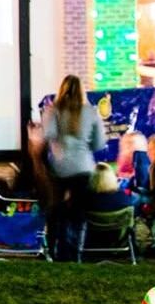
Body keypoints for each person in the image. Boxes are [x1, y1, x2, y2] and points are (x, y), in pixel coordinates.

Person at [41, 75, 107, 260]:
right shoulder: (91, 112)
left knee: (55, 212)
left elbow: (48, 136)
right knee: (78, 215)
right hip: (83, 168)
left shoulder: (52, 111)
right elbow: (99, 143)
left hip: (58, 168)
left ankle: (54, 250)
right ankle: (74, 253)